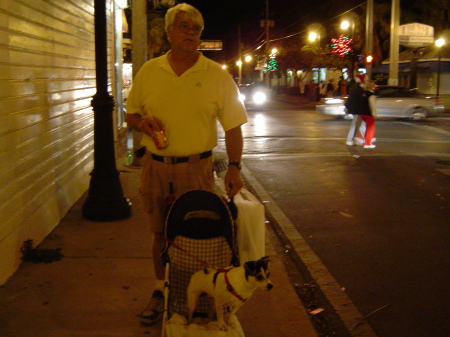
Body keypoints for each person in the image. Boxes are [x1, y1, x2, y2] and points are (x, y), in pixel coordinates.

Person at [126, 3, 248, 325]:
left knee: (199, 234)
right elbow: (131, 112)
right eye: (184, 26)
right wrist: (142, 124)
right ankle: (160, 290)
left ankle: (199, 295)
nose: (191, 33)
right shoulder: (149, 71)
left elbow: (233, 126)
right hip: (156, 166)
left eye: (196, 29)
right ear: (168, 32)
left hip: (197, 168)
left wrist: (234, 168)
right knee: (158, 234)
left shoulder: (217, 76)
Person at [344, 80, 376, 148]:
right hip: (365, 112)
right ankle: (364, 141)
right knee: (367, 127)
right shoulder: (368, 93)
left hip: (361, 112)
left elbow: (351, 99)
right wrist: (374, 113)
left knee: (362, 125)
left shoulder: (362, 92)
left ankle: (361, 138)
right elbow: (372, 104)